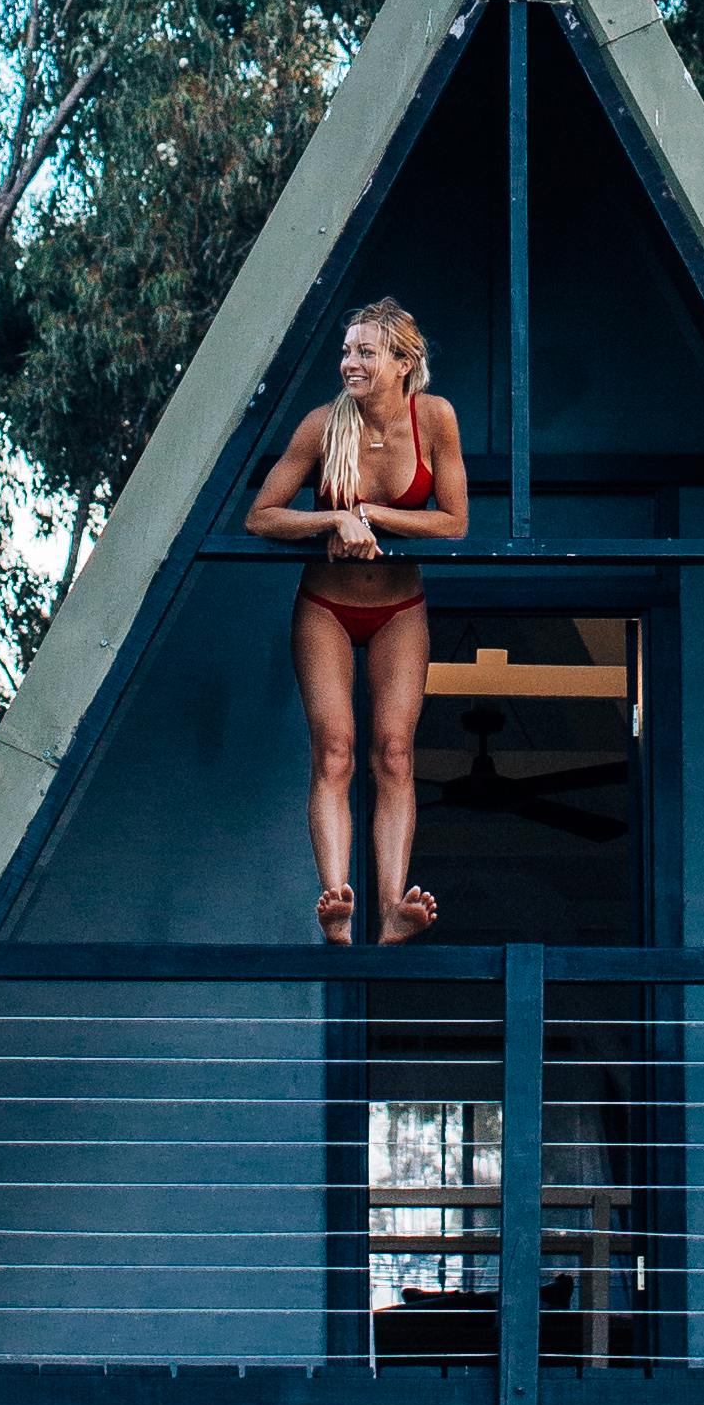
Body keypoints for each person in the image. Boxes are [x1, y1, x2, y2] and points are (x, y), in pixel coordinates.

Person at [245, 298, 471, 941]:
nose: (350, 362)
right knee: (336, 749)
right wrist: (331, 519)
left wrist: (369, 515)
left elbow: (454, 523)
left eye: (366, 352)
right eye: (346, 351)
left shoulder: (434, 418)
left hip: (399, 608)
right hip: (327, 607)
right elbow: (262, 516)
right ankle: (337, 905)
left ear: (405, 361)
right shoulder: (322, 425)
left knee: (395, 753)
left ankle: (394, 910)